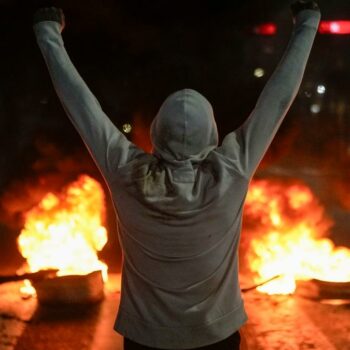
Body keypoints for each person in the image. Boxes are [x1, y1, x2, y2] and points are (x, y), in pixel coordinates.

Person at [33, 2, 320, 349]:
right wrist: (307, 23)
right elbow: (277, 99)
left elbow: (82, 105)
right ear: (211, 132)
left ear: (156, 131)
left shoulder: (126, 172)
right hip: (216, 337)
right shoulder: (230, 171)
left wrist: (48, 33)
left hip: (145, 339)